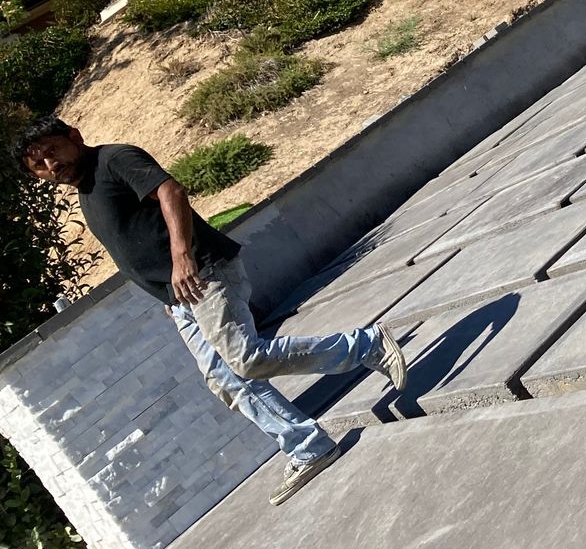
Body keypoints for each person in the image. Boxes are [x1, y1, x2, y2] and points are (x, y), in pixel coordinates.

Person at [14, 116, 408, 506]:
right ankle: (308, 447)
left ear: (74, 136)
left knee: (247, 359)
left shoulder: (114, 160)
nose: (51, 165)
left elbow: (170, 191)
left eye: (53, 151)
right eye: (39, 166)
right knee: (226, 379)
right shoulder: (87, 192)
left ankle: (366, 346)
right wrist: (168, 298)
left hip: (203, 271)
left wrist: (182, 255)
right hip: (180, 296)